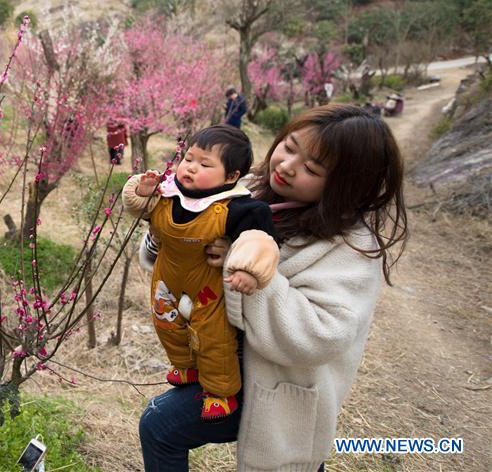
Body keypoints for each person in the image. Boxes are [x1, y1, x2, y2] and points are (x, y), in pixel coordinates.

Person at [138, 104, 408, 471]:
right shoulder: (245, 189)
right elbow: (181, 258)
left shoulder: (351, 247)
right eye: (289, 146)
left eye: (312, 168)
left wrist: (245, 268)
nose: (286, 166)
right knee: (160, 425)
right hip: (220, 358)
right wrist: (163, 236)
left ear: (345, 185)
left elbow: (322, 332)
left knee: (162, 424)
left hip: (276, 383)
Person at [122, 125, 280, 422]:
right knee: (165, 321)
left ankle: (221, 393)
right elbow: (139, 208)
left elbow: (259, 240)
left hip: (207, 284)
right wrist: (141, 191)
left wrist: (248, 269)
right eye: (189, 158)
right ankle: (184, 366)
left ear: (231, 176)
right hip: (168, 276)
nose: (191, 168)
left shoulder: (238, 208)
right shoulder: (168, 191)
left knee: (213, 336)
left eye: (205, 164)